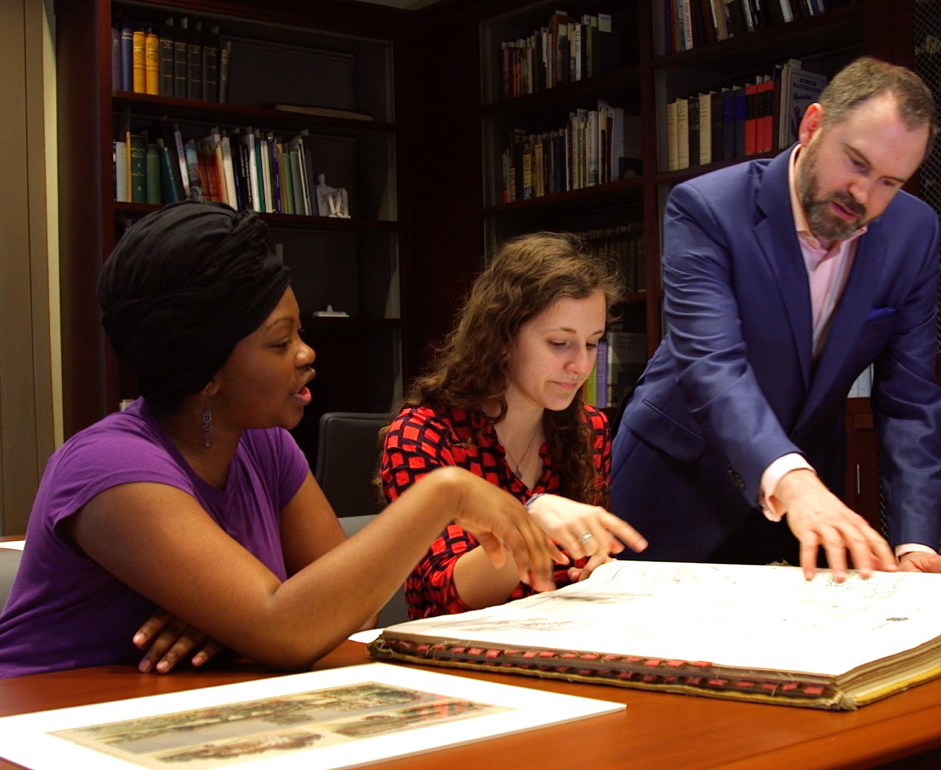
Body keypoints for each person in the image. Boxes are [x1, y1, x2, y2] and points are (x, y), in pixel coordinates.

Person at [0, 201, 562, 679]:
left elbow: (353, 616)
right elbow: (289, 627)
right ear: (207, 372)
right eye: (279, 342)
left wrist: (234, 626)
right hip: (46, 727)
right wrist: (446, 492)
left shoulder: (261, 445)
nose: (306, 353)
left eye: (301, 332)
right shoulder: (109, 466)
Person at [611, 57, 941, 581]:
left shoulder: (913, 232)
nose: (864, 197)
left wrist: (914, 544)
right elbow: (713, 364)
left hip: (806, 502)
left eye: (889, 182)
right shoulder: (708, 208)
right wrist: (793, 481)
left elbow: (910, 400)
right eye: (856, 163)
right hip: (677, 483)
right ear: (812, 126)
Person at [379, 232, 647, 619]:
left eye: (592, 344)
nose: (580, 366)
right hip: (452, 656)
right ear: (502, 337)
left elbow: (577, 565)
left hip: (559, 636)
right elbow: (445, 594)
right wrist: (527, 522)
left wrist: (594, 563)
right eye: (559, 343)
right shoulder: (423, 435)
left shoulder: (588, 428)